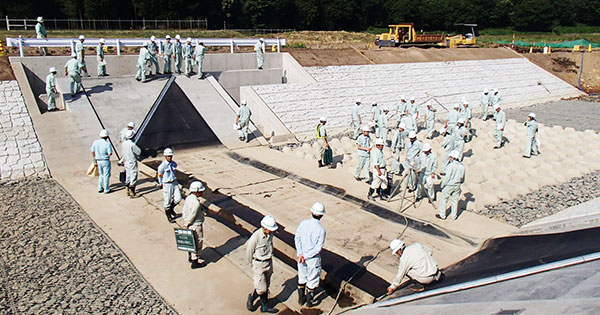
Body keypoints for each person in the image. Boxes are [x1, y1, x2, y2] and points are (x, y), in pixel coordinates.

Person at [295, 202, 327, 307]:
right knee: (312, 279)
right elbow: (318, 248)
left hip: (301, 257)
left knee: (302, 276)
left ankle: (301, 299)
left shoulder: (303, 223)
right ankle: (309, 301)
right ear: (322, 215)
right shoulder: (321, 230)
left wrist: (300, 253)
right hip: (312, 258)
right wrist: (307, 255)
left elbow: (297, 238)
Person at [246, 215, 279, 313]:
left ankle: (262, 304)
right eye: (270, 229)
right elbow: (249, 252)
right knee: (262, 288)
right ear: (264, 228)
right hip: (259, 264)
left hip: (268, 262)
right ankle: (257, 301)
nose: (272, 231)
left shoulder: (270, 235)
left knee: (266, 285)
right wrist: (252, 264)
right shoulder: (256, 237)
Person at [183, 181, 207, 269]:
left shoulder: (188, 198)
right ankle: (195, 261)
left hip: (189, 223)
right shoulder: (196, 203)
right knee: (198, 241)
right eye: (201, 191)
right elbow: (193, 214)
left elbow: (184, 210)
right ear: (196, 191)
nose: (202, 193)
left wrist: (185, 222)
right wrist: (187, 223)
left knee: (191, 241)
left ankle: (191, 256)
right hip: (195, 224)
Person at [436, 150, 465, 220]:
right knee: (455, 201)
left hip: (449, 185)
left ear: (453, 157)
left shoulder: (450, 166)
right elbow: (463, 177)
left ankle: (442, 215)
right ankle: (454, 216)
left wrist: (443, 185)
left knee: (444, 199)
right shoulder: (462, 166)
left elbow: (447, 177)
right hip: (457, 185)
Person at [157, 148, 181, 223]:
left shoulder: (174, 163)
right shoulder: (162, 166)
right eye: (168, 156)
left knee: (178, 198)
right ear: (165, 156)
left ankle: (171, 209)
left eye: (170, 156)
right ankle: (169, 216)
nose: (169, 157)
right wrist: (160, 183)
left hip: (174, 182)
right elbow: (160, 175)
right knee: (167, 200)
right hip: (167, 184)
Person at [91, 129, 113, 194]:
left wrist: (94, 159)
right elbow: (110, 153)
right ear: (107, 137)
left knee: (101, 175)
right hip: (105, 160)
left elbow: (92, 151)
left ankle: (100, 188)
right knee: (106, 175)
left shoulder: (95, 142)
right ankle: (106, 189)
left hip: (98, 160)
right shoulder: (107, 144)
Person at [121, 130, 141, 197]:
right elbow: (138, 152)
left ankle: (127, 190)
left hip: (126, 162)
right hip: (132, 162)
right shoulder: (132, 145)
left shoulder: (124, 143)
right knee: (133, 176)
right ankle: (132, 193)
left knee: (128, 176)